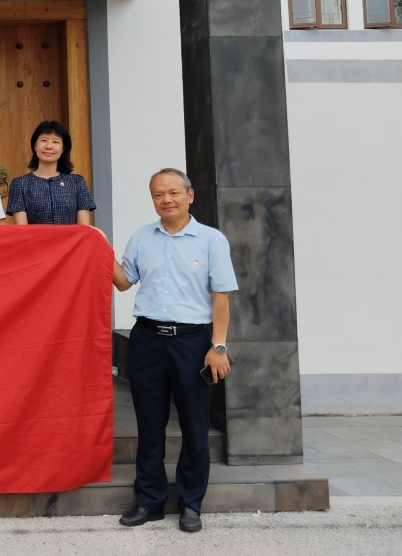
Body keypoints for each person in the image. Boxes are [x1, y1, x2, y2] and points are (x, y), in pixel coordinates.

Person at [111, 168, 238, 534]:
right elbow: (123, 282)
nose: (166, 199)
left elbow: (221, 297)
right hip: (147, 339)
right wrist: (98, 247)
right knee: (149, 424)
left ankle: (191, 503)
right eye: (158, 194)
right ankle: (149, 500)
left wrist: (218, 346)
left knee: (194, 425)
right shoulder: (142, 237)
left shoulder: (212, 240)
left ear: (189, 195)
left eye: (173, 192)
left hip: (193, 342)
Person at [7, 120, 96, 226]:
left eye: (56, 142)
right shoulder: (19, 184)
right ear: (35, 146)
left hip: (71, 238)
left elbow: (83, 228)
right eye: (44, 140)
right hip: (34, 237)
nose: (49, 146)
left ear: (63, 149)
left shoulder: (77, 182)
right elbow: (22, 229)